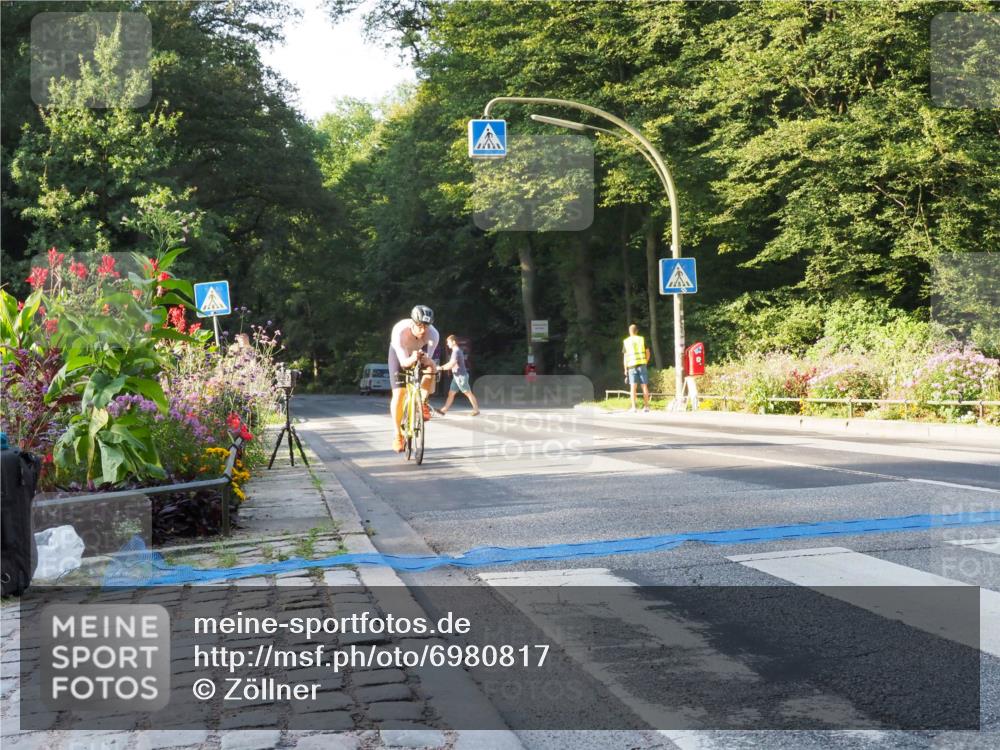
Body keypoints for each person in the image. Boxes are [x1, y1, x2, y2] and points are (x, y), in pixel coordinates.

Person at [389, 305, 439, 452]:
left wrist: (428, 362)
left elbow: (429, 361)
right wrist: (412, 358)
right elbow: (404, 363)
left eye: (426, 326)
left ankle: (423, 402)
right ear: (412, 322)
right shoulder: (400, 331)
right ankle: (398, 435)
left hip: (419, 351)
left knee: (431, 367)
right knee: (399, 393)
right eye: (419, 326)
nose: (423, 330)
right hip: (401, 355)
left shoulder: (434, 334)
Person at [435, 335, 480, 416]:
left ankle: (476, 410)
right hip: (457, 376)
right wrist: (441, 367)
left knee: (468, 393)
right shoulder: (455, 351)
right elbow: (450, 363)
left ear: (453, 342)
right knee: (451, 393)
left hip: (461, 377)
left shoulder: (456, 351)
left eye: (448, 342)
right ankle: (444, 410)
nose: (447, 344)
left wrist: (441, 368)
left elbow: (452, 364)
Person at [622, 323, 651, 412]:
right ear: (637, 331)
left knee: (633, 387)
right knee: (644, 386)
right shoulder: (641, 339)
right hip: (642, 365)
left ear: (629, 331)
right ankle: (646, 407)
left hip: (631, 366)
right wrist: (645, 361)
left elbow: (625, 357)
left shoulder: (626, 341)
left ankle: (634, 407)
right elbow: (648, 352)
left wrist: (625, 369)